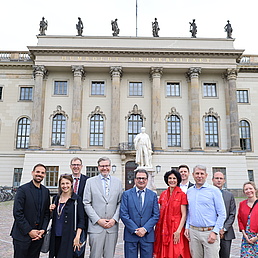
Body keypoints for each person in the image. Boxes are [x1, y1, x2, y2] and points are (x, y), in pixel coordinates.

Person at [83, 157, 123, 258]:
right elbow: (86, 203)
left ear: (110, 166)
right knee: (95, 255)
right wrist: (97, 220)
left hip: (112, 227)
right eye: (102, 166)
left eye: (107, 166)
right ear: (98, 167)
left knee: (109, 255)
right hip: (96, 227)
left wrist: (114, 219)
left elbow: (121, 203)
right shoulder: (90, 182)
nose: (105, 168)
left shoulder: (118, 182)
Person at [185, 165, 226, 258]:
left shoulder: (214, 191)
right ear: (193, 175)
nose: (199, 176)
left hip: (209, 232)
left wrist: (215, 232)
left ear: (206, 175)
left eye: (202, 174)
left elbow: (222, 214)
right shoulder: (189, 191)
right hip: (194, 232)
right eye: (197, 173)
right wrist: (187, 227)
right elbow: (189, 212)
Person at [10, 164, 50, 258]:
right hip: (22, 235)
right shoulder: (23, 190)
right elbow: (17, 213)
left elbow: (46, 213)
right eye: (37, 172)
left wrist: (43, 230)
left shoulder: (46, 191)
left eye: (42, 173)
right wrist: (29, 231)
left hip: (38, 236)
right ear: (33, 173)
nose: (39, 174)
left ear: (44, 175)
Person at [120, 169, 159, 258]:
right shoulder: (126, 194)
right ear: (135, 180)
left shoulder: (152, 195)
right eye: (139, 178)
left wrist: (144, 229)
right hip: (131, 235)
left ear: (147, 180)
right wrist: (135, 230)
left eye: (143, 178)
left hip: (147, 235)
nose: (141, 180)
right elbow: (124, 214)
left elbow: (155, 215)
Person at [154, 170, 191, 258]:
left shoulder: (182, 194)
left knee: (177, 252)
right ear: (167, 180)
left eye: (174, 178)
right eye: (170, 178)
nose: (172, 180)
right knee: (165, 252)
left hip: (176, 227)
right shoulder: (163, 194)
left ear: (178, 180)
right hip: (164, 227)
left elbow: (184, 214)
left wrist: (178, 231)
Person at [49, 174, 85, 258]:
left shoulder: (76, 199)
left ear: (71, 184)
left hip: (70, 237)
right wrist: (50, 210)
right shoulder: (56, 198)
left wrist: (77, 237)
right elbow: (55, 217)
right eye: (62, 184)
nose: (65, 186)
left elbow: (81, 220)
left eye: (67, 183)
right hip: (56, 236)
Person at [212, 171, 236, 258]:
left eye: (221, 178)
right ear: (212, 180)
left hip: (226, 233)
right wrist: (216, 228)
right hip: (211, 231)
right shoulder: (208, 193)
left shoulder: (229, 195)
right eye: (217, 178)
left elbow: (232, 214)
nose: (219, 180)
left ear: (224, 181)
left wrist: (224, 228)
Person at [70, 157, 89, 258]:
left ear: (81, 166)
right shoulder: (66, 180)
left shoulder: (88, 181)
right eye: (74, 165)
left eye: (78, 165)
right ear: (70, 166)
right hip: (68, 218)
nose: (76, 167)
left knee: (79, 249)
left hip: (82, 219)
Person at [237, 181, 258, 257]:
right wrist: (245, 235)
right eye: (246, 189)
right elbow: (239, 219)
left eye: (250, 188)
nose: (248, 191)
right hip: (247, 238)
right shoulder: (242, 204)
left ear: (255, 190)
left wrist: (256, 238)